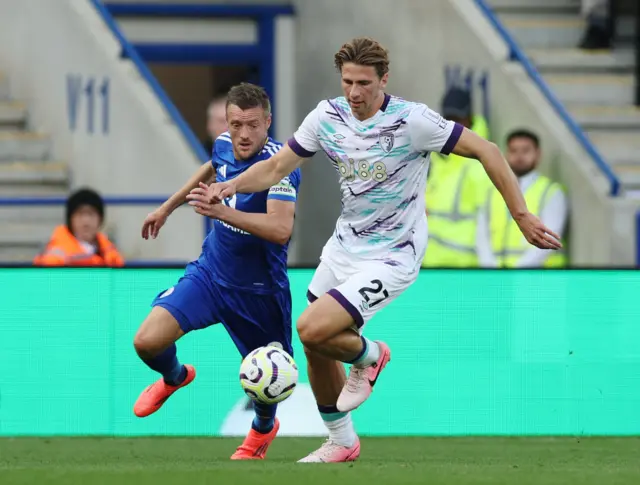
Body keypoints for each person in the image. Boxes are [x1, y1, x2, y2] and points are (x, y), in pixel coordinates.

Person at [195, 37, 562, 463]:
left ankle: (371, 354)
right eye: (348, 81)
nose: (354, 92)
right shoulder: (327, 116)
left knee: (311, 328)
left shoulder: (413, 121)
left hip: (393, 253)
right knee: (316, 346)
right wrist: (231, 185)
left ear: (383, 80)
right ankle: (342, 441)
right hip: (344, 246)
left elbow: (487, 149)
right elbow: (277, 167)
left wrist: (521, 216)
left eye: (364, 83)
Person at [132, 83, 301, 461]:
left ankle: (261, 429)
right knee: (146, 342)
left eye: (252, 125)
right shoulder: (224, 144)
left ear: (267, 123)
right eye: (236, 123)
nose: (243, 134)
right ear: (227, 121)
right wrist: (167, 208)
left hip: (260, 292)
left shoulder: (281, 167)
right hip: (210, 276)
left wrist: (222, 211)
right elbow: (211, 167)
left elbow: (280, 229)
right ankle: (175, 376)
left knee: (269, 382)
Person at [476, 130, 568, 268]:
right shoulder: (492, 191)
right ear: (505, 154)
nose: (519, 156)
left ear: (538, 154)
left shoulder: (551, 192)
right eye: (513, 151)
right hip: (497, 275)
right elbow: (482, 235)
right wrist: (490, 267)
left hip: (538, 277)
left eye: (526, 151)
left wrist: (519, 270)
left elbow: (551, 238)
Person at [422, 87, 492, 268]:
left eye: (459, 119)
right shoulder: (436, 159)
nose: (454, 126)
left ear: (470, 118)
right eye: (449, 119)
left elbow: (488, 221)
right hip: (431, 264)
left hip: (466, 268)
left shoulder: (479, 164)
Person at [33, 188, 124, 267]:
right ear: (70, 220)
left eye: (91, 214)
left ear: (100, 219)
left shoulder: (109, 252)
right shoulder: (55, 255)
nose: (86, 221)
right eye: (80, 214)